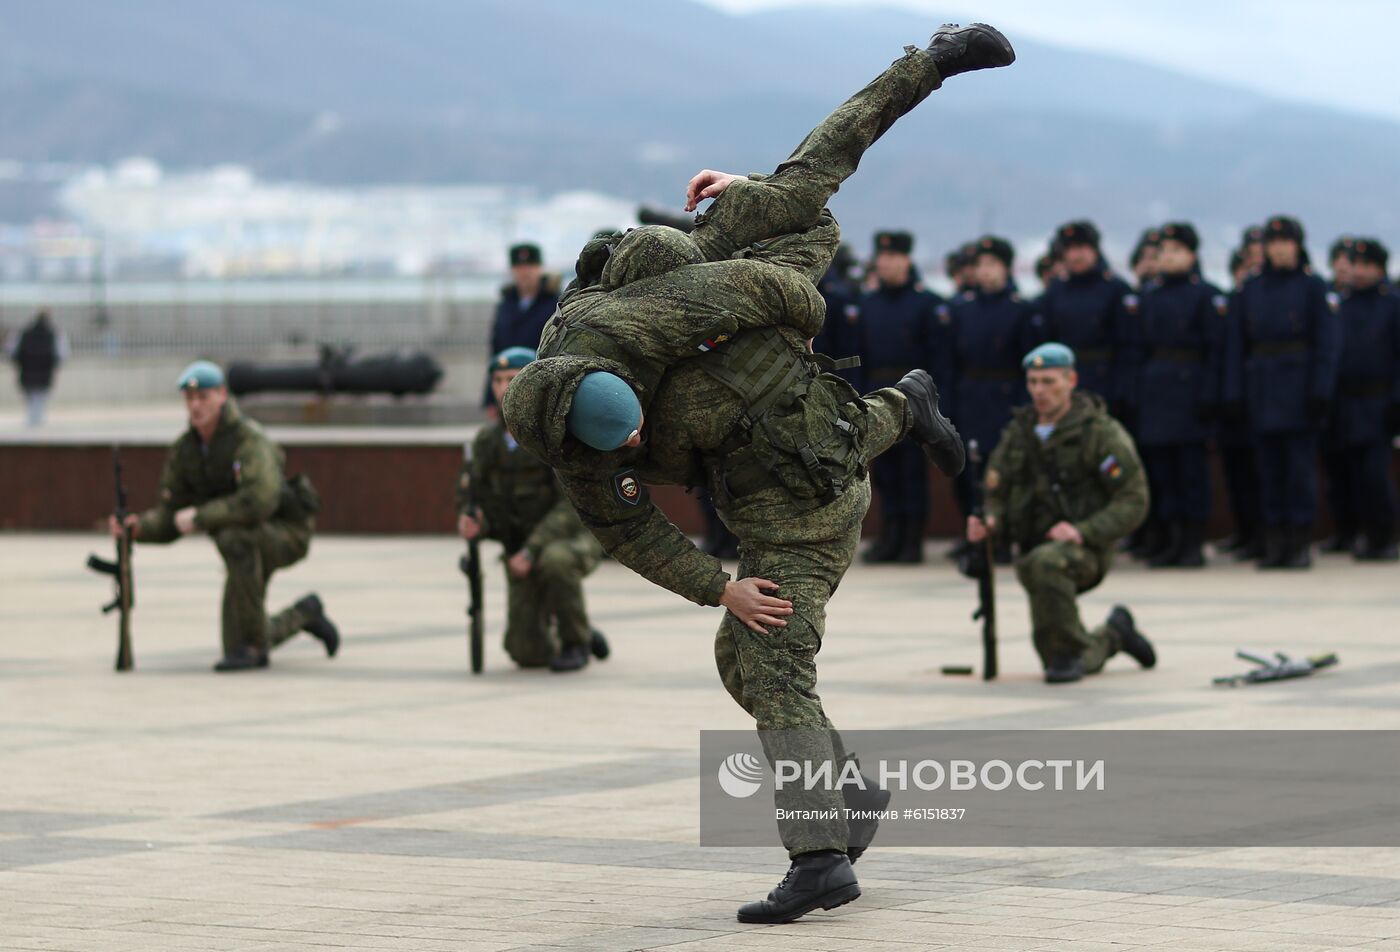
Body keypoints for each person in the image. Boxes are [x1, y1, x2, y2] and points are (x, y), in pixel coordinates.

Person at [504, 23, 1010, 924]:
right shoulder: (571, 422)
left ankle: (820, 861)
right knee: (739, 652)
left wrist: (929, 65)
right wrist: (715, 588)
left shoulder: (705, 266)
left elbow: (826, 174)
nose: (628, 456)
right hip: (765, 482)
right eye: (617, 448)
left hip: (807, 490)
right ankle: (846, 796)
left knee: (774, 666)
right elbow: (628, 530)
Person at [109, 361, 339, 671]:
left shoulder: (249, 440)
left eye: (203, 397)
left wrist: (202, 516)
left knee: (234, 539)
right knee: (237, 640)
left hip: (285, 531)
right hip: (244, 537)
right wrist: (139, 528)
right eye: (189, 399)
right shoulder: (187, 449)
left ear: (222, 395)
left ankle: (255, 646)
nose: (195, 406)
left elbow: (260, 500)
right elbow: (174, 513)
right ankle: (302, 615)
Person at [967, 343, 1157, 684]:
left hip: (1085, 550)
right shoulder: (1019, 433)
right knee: (1040, 563)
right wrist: (989, 521)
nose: (1040, 391)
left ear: (1071, 381)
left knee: (1046, 567)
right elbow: (996, 490)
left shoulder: (1099, 433)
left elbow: (1134, 498)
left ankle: (1071, 652)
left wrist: (1084, 530)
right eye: (1034, 382)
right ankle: (1114, 634)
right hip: (1032, 550)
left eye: (1049, 381)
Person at [458, 347, 610, 670]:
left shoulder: (553, 436)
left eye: (511, 378)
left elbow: (570, 507)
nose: (503, 387)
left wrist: (531, 550)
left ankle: (576, 642)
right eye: (497, 380)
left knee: (555, 562)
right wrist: (477, 523)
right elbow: (480, 502)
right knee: (526, 652)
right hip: (521, 549)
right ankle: (577, 623)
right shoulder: (487, 442)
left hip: (570, 537)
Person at [1224, 215, 1342, 569]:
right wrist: (1234, 393)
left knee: (1299, 470)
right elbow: (1236, 346)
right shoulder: (1252, 288)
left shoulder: (1313, 287)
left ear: (1297, 246)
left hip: (1299, 388)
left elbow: (1327, 345)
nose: (1278, 249)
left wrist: (1320, 390)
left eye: (1285, 242)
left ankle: (1299, 540)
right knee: (1269, 470)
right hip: (1261, 388)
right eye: (1272, 243)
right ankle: (1274, 539)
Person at [1131, 222, 1226, 568]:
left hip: (1190, 390)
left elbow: (1217, 351)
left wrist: (1210, 395)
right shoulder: (1150, 296)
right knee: (1162, 471)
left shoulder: (1205, 295)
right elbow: (1137, 349)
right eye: (1164, 252)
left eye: (1175, 252)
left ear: (1191, 255)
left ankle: (1191, 541)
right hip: (1156, 390)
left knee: (1190, 472)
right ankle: (1169, 539)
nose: (1168, 258)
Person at [946, 235, 1041, 550]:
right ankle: (974, 532)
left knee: (1002, 469)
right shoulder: (961, 309)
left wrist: (1027, 404)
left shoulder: (1021, 310)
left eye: (992, 265)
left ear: (1006, 269)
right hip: (969, 395)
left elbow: (1028, 361)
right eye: (980, 265)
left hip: (1005, 396)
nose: (985, 272)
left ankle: (1002, 533)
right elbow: (949, 360)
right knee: (967, 470)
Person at [857, 230, 944, 563]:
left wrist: (932, 404)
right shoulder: (868, 304)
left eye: (894, 257)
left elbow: (937, 359)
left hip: (913, 397)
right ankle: (890, 537)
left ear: (907, 260)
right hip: (877, 396)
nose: (887, 263)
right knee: (887, 472)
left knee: (911, 473)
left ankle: (911, 539)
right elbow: (860, 354)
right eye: (883, 257)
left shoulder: (926, 304)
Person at [1325, 239, 1400, 560]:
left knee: (1375, 475)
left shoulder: (1392, 304)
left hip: (1380, 401)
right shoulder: (1341, 304)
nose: (1359, 271)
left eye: (1366, 264)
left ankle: (1385, 537)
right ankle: (1358, 534)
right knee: (1350, 475)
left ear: (1380, 268)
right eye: (1354, 264)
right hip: (1346, 403)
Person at [1037, 220, 1136, 412]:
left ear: (1094, 250)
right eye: (1069, 249)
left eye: (1081, 248)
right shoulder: (1056, 290)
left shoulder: (1115, 288)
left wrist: (1124, 389)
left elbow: (1128, 344)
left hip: (1105, 380)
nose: (1076, 255)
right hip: (1063, 382)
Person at [1217, 247, 1262, 559]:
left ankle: (1271, 536)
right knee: (1240, 474)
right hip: (1237, 398)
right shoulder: (1236, 299)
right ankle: (1247, 533)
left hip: (1270, 397)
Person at [482, 243, 560, 414]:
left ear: (540, 268)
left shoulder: (556, 304)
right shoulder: (506, 304)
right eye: (519, 267)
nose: (524, 272)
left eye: (530, 266)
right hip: (505, 387)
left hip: (540, 388)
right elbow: (496, 351)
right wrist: (489, 398)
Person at [8, 310, 68, 427]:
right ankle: (36, 418)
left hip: (27, 371)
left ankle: (33, 418)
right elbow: (61, 354)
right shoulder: (54, 334)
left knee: (31, 396)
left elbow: (12, 352)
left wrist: (19, 362)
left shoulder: (23, 333)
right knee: (40, 396)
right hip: (45, 371)